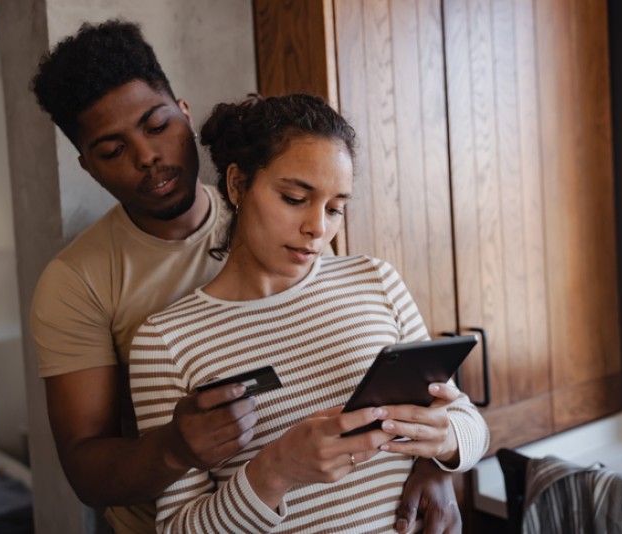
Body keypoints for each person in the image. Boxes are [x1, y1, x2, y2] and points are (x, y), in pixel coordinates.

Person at [29, 19, 469, 534]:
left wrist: (433, 458)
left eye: (157, 126)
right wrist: (179, 449)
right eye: (112, 150)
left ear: (183, 113)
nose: (147, 156)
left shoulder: (297, 221)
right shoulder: (85, 289)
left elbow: (431, 406)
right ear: (88, 165)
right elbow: (88, 470)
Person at [129, 93, 490, 532]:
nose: (318, 228)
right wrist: (275, 471)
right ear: (238, 184)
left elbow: (469, 423)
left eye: (335, 208)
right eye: (295, 198)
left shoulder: (375, 280)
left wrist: (445, 444)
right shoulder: (165, 342)